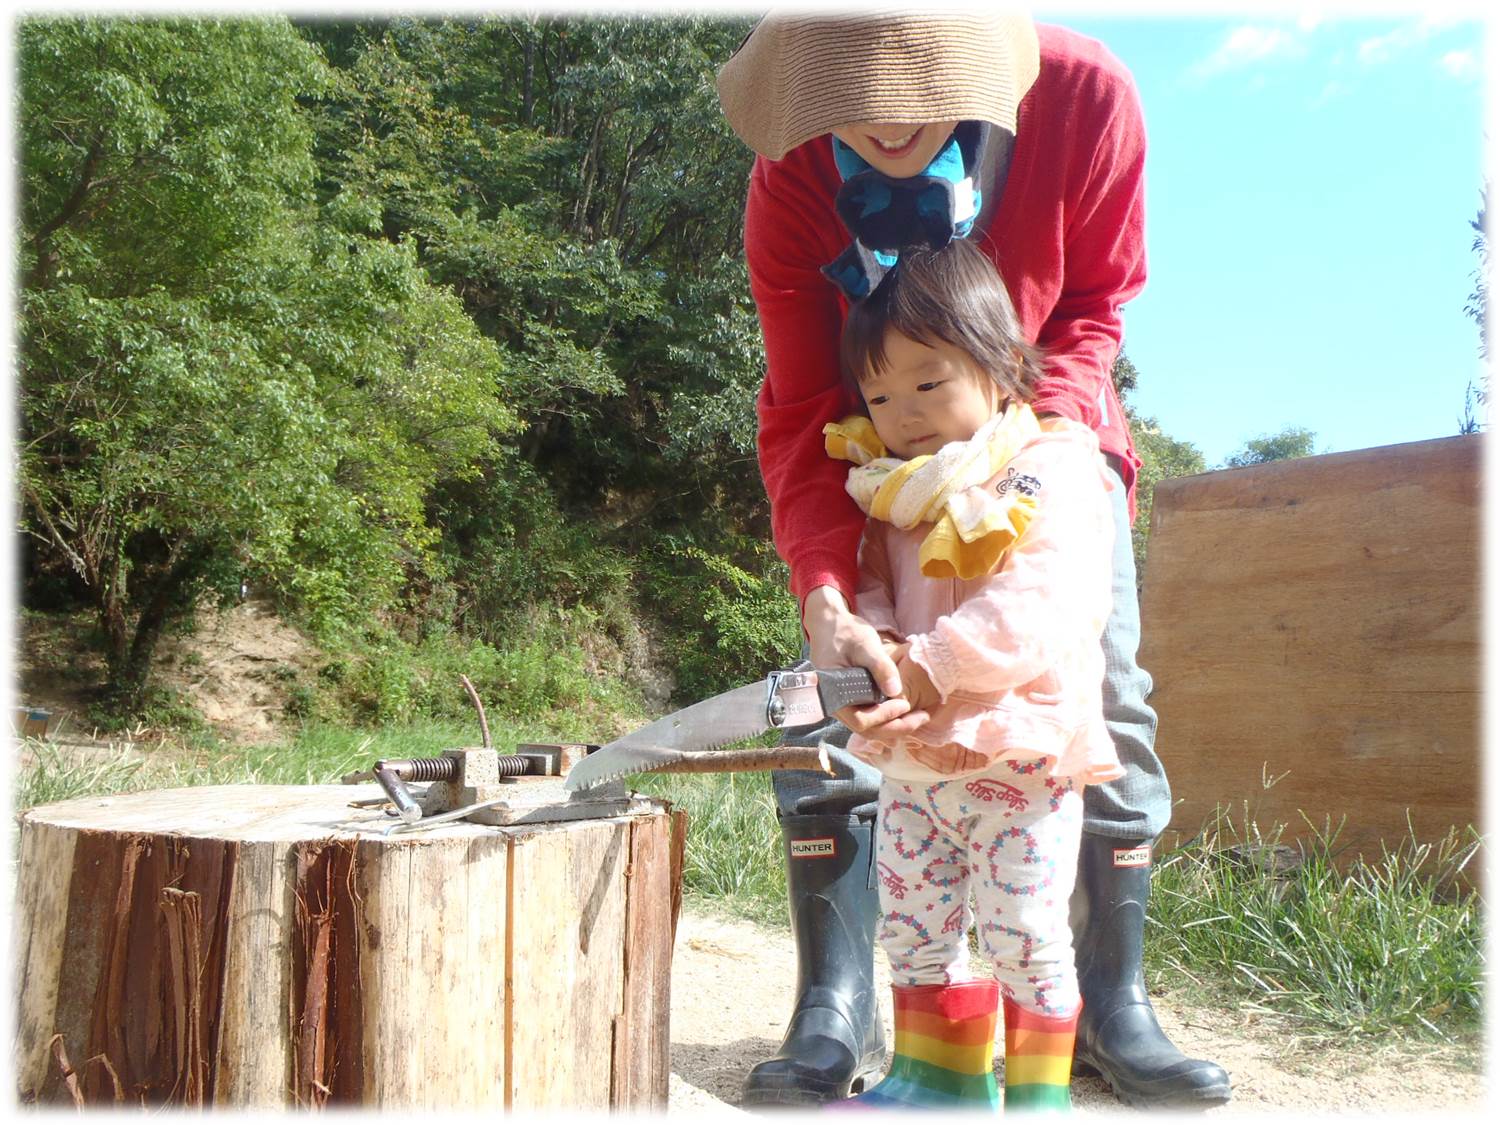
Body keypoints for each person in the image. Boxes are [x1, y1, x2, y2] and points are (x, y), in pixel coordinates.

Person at [714, 9, 1232, 1109]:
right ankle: (839, 1003)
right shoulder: (789, 175)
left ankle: (1111, 1005)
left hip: (1050, 437)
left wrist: (1034, 463)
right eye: (852, 92)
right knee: (836, 702)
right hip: (883, 469)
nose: (887, 117)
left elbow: (1096, 308)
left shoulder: (1085, 96)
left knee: (1107, 695)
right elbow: (804, 405)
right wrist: (829, 599)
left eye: (918, 80)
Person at [826, 238, 1122, 1111]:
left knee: (1025, 932)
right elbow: (870, 590)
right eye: (880, 396)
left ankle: (1035, 1100)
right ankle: (938, 1082)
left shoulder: (1051, 469)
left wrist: (934, 662)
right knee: (912, 926)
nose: (904, 413)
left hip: (1020, 758)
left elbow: (1044, 600)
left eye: (928, 382)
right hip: (917, 761)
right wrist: (879, 653)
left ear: (999, 369)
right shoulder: (893, 494)